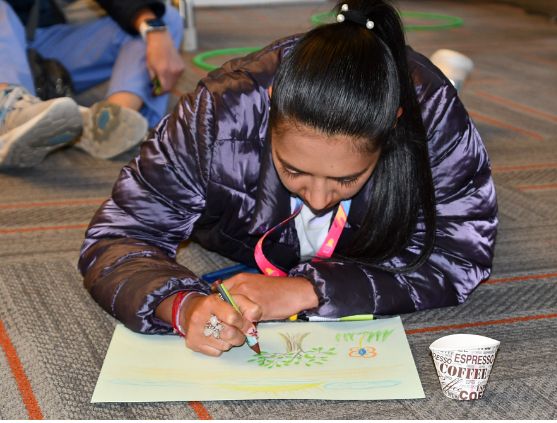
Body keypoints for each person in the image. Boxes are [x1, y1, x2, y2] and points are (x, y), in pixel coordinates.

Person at [79, 0, 496, 355]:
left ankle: (447, 73)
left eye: (345, 179)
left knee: (445, 133)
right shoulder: (218, 113)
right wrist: (183, 306)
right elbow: (120, 235)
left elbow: (459, 256)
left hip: (398, 180)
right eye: (294, 170)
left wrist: (309, 290)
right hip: (235, 235)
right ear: (271, 108)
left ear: (391, 129)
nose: (318, 198)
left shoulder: (431, 114)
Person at [0, 0, 184, 168]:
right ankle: (9, 112)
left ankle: (108, 122)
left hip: (44, 43)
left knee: (164, 19)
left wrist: (152, 28)